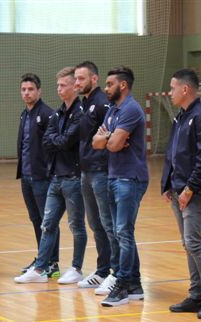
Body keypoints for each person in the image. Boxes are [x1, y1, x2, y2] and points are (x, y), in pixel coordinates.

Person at [14, 66, 87, 285]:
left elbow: (65, 141)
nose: (59, 89)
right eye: (58, 85)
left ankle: (72, 267)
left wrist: (57, 141)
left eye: (63, 85)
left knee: (76, 225)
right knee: (46, 223)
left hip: (68, 176)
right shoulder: (57, 113)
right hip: (53, 176)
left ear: (75, 86)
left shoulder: (75, 112)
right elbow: (50, 140)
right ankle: (41, 267)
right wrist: (57, 140)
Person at [161, 68, 201, 319]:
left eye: (173, 88)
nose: (170, 92)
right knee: (188, 244)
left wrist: (189, 189)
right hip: (178, 189)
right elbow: (173, 153)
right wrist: (167, 183)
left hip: (193, 192)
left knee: (193, 242)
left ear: (185, 89)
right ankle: (196, 295)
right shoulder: (180, 117)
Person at [92, 66, 148, 307]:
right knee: (119, 232)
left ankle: (122, 284)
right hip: (114, 176)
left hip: (130, 178)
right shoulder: (113, 110)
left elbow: (113, 145)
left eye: (109, 84)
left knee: (123, 232)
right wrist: (110, 137)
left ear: (122, 85)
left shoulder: (131, 109)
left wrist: (110, 138)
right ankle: (134, 285)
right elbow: (96, 142)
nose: (105, 89)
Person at [74, 61, 117, 290]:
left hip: (101, 171)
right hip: (86, 171)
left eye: (81, 78)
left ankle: (117, 274)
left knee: (108, 224)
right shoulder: (84, 103)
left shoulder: (102, 103)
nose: (77, 83)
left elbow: (110, 135)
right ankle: (102, 270)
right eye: (76, 79)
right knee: (95, 224)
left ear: (94, 79)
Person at [15, 73, 60, 278]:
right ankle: (42, 257)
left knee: (47, 220)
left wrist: (49, 171)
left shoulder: (47, 114)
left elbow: (52, 146)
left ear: (39, 91)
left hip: (42, 177)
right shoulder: (24, 114)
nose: (26, 93)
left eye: (30, 89)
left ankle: (52, 262)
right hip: (26, 176)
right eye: (23, 89)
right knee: (35, 218)